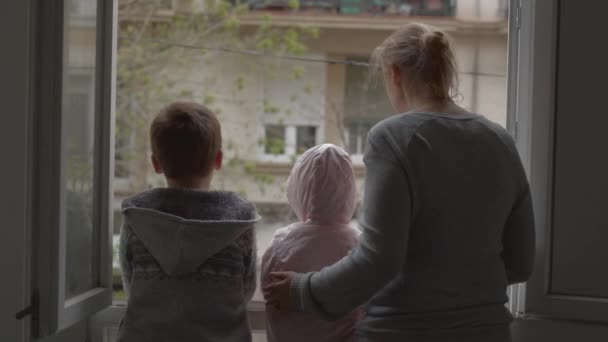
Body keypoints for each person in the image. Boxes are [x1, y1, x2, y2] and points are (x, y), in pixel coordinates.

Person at [264, 23, 535, 342]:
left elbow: (378, 261)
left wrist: (301, 290)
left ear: (394, 74)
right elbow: (520, 264)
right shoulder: (499, 140)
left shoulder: (393, 138)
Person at [118, 101, 260, 342]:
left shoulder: (137, 219)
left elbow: (130, 283)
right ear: (218, 160)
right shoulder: (238, 225)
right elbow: (246, 289)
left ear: (156, 164)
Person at [261, 144, 362, 342]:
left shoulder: (281, 245)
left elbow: (269, 293)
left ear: (297, 189)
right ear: (350, 191)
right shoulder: (360, 246)